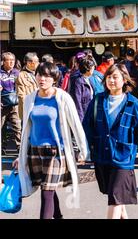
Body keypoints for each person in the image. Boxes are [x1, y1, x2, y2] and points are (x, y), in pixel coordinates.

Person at [12, 62, 88, 219]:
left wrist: (82, 150)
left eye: (47, 76)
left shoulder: (63, 98)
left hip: (55, 152)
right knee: (46, 189)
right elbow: (26, 128)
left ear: (54, 78)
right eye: (39, 75)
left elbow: (76, 124)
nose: (42, 79)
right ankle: (58, 216)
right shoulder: (29, 99)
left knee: (47, 191)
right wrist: (20, 156)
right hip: (34, 151)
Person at [82, 63, 138, 219]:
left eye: (115, 77)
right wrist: (83, 150)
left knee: (115, 199)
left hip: (123, 157)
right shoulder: (97, 101)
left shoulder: (132, 103)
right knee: (117, 197)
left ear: (124, 80)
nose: (111, 80)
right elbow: (87, 127)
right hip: (102, 156)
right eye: (108, 77)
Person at [1, 52, 22, 152]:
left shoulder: (17, 72)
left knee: (17, 126)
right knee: (1, 127)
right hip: (2, 104)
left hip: (15, 104)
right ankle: (2, 148)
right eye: (8, 60)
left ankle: (20, 148)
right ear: (3, 61)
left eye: (12, 60)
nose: (11, 62)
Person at [70, 58, 96, 122]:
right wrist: (80, 120)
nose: (94, 70)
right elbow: (77, 101)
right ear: (88, 69)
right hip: (84, 115)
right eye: (93, 68)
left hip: (89, 112)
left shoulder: (88, 79)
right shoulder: (78, 81)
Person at [16, 52, 39, 120]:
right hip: (29, 110)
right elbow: (21, 96)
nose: (39, 63)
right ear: (29, 63)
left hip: (39, 108)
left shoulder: (39, 73)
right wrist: (27, 113)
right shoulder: (21, 75)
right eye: (37, 61)